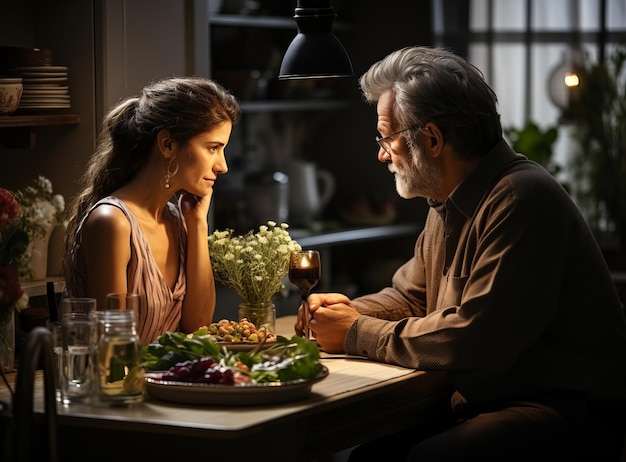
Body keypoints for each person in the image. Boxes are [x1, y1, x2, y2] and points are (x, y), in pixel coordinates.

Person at [296, 46, 626, 461]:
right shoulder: (447, 200)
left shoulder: (521, 197)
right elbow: (412, 298)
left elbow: (476, 337)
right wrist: (344, 312)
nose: (381, 153)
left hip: (564, 411)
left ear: (431, 139)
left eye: (386, 137)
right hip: (488, 403)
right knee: (370, 458)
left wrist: (354, 332)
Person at [64, 77, 240, 345]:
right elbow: (113, 348)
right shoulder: (112, 222)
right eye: (212, 148)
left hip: (167, 383)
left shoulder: (179, 219)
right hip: (119, 385)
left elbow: (199, 325)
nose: (222, 166)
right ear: (167, 145)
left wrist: (197, 223)